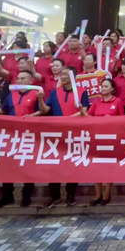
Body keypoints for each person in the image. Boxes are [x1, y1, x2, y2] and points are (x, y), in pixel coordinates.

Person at [38, 66, 90, 207]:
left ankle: (70, 194)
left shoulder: (82, 91)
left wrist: (66, 120)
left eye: (66, 74)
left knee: (72, 164)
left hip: (74, 132)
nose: (62, 76)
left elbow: (84, 110)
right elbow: (45, 110)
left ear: (73, 76)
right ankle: (54, 195)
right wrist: (41, 100)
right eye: (61, 74)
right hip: (57, 133)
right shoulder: (55, 92)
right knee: (54, 164)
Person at [0, 70, 40, 208]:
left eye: (23, 78)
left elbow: (42, 112)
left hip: (29, 135)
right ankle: (7, 195)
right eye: (18, 78)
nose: (20, 81)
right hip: (11, 134)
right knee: (8, 165)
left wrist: (32, 117)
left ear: (31, 81)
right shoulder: (11, 95)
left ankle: (26, 194)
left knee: (27, 165)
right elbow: (3, 111)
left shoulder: (36, 94)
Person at [80, 78, 123, 205]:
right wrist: (81, 110)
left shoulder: (118, 101)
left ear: (112, 88)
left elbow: (123, 120)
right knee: (96, 166)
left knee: (109, 166)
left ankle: (107, 193)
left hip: (111, 138)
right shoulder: (97, 102)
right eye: (102, 86)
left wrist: (111, 120)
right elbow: (88, 117)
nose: (103, 88)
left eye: (106, 86)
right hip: (97, 137)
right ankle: (97, 194)